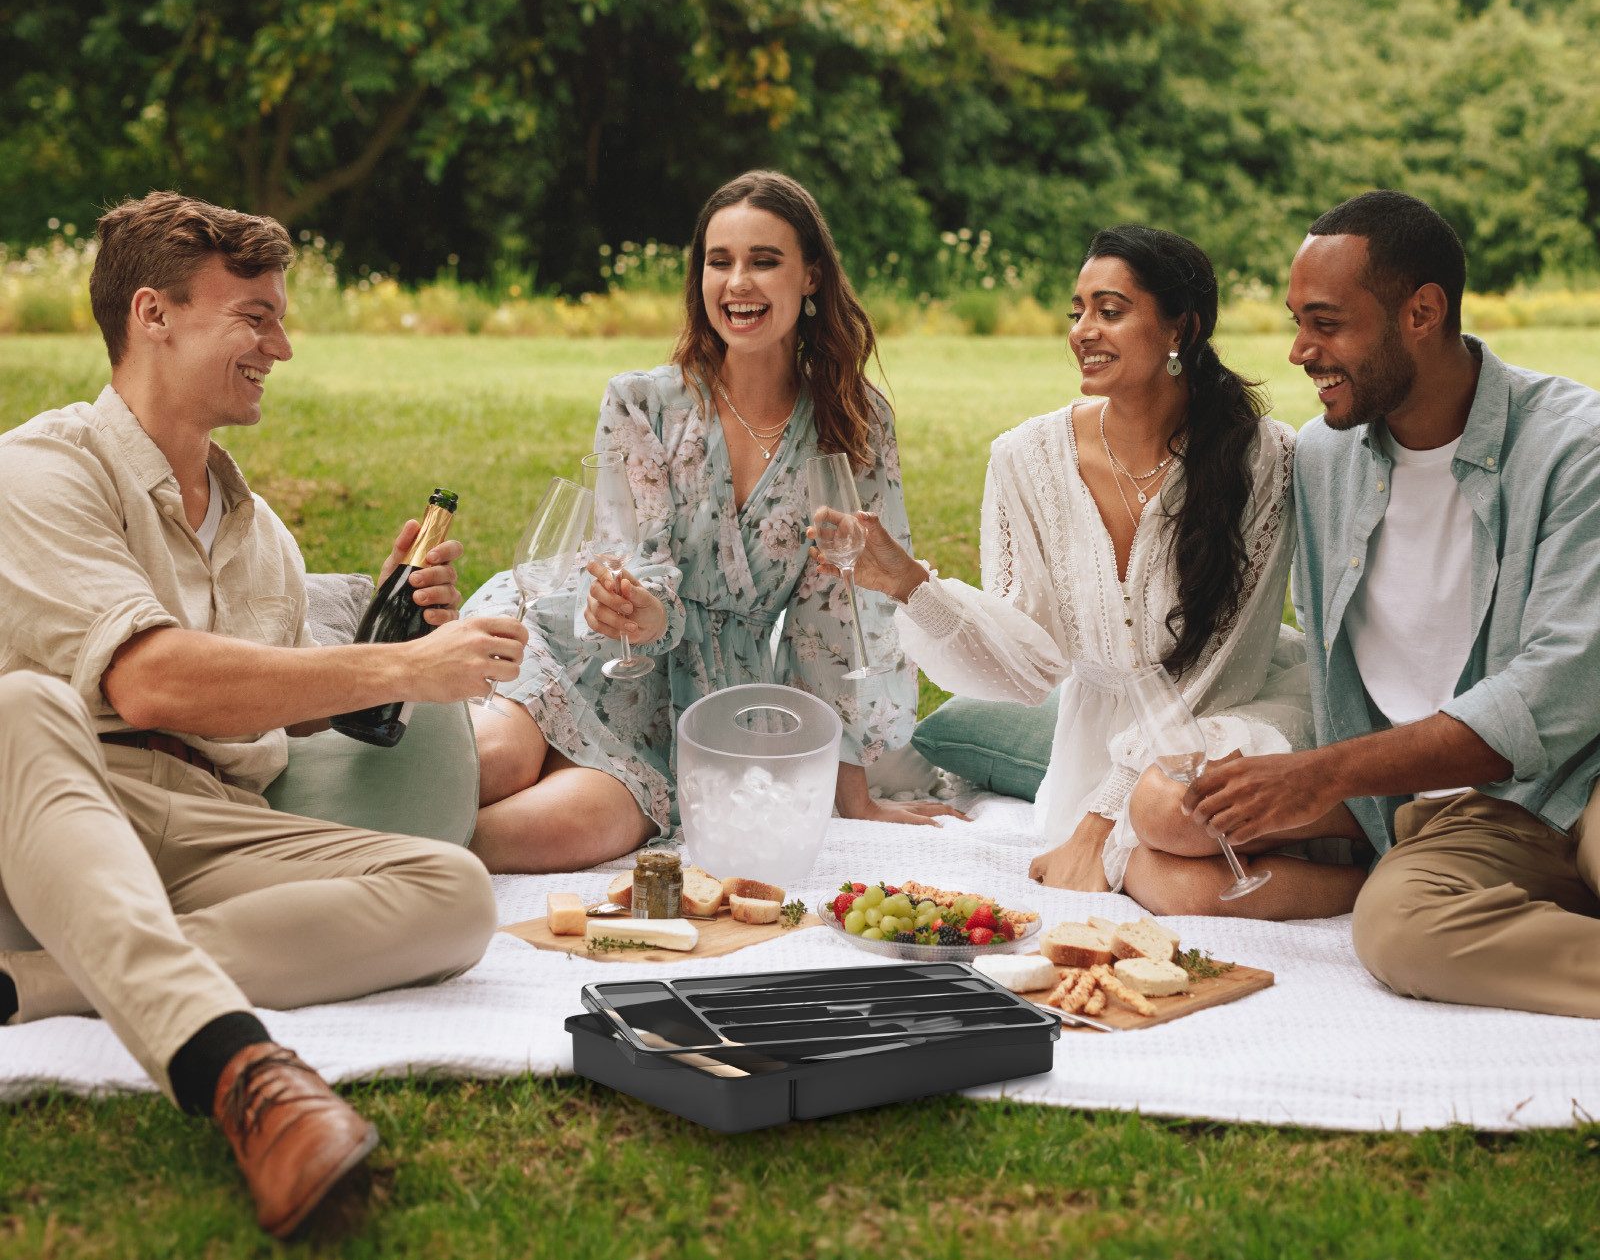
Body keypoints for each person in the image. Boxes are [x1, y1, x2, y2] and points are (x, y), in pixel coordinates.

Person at [0, 192, 530, 1237]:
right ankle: (243, 1072)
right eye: (254, 316)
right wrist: (417, 668)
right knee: (20, 702)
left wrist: (388, 653)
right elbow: (149, 682)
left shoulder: (264, 538)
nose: (280, 346)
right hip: (58, 802)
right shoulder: (38, 470)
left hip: (207, 816)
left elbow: (278, 718)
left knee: (454, 893)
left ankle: (34, 986)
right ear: (153, 314)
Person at [829, 224, 1369, 917]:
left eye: (1110, 310)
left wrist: (1100, 816)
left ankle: (1378, 824)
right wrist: (911, 587)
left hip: (1228, 716)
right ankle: (1372, 883)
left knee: (1167, 809)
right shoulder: (1024, 459)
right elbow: (1026, 671)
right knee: (1175, 885)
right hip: (1097, 746)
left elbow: (1219, 667)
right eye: (1077, 311)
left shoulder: (1264, 458)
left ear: (1181, 327)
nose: (1084, 329)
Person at [464, 169, 963, 871]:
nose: (738, 284)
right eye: (719, 262)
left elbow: (841, 618)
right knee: (492, 765)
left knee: (555, 835)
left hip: (696, 706)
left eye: (765, 261)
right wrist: (640, 609)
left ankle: (359, 851)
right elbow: (627, 557)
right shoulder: (643, 403)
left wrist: (856, 799)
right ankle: (309, 831)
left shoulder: (854, 425)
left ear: (811, 276)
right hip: (584, 640)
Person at [1184, 190, 1600, 1014]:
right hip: (1469, 819)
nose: (1301, 350)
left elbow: (1564, 686)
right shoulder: (1320, 461)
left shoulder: (1574, 447)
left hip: (1588, 772)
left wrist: (1324, 774)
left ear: (1422, 311)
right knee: (1397, 929)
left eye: (1327, 322)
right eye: (1298, 320)